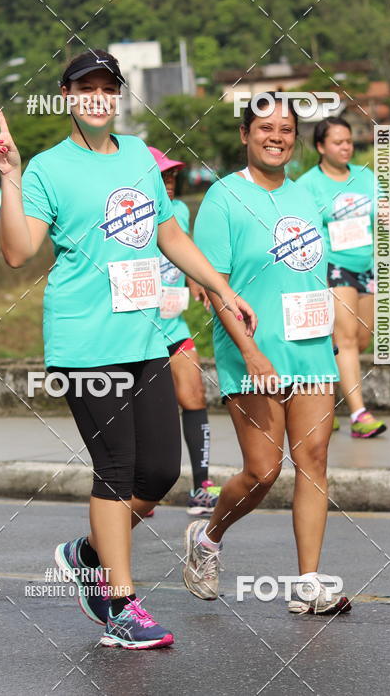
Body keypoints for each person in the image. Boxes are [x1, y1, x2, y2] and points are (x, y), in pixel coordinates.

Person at [0, 49, 256, 650]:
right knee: (116, 468)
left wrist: (222, 287)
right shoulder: (49, 169)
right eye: (86, 88)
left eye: (108, 88)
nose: (98, 97)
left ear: (118, 96)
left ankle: (89, 552)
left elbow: (167, 232)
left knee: (157, 473)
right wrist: (8, 174)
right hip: (84, 343)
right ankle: (122, 607)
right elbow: (19, 252)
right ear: (67, 96)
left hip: (144, 338)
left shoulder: (136, 155)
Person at [183, 93, 351, 615]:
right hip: (252, 353)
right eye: (265, 128)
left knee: (314, 460)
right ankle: (207, 538)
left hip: (311, 349)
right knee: (262, 472)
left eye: (285, 129)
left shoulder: (305, 196)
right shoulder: (224, 198)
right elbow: (216, 288)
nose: (276, 136)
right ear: (244, 135)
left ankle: (308, 584)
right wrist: (252, 353)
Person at [296, 118, 390, 437]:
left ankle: (325, 400)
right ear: (320, 147)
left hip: (364, 266)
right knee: (347, 338)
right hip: (332, 266)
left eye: (349, 141)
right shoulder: (308, 184)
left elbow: (383, 209)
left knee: (361, 338)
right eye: (337, 142)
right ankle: (359, 415)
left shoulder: (364, 177)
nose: (345, 147)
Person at [148, 146, 221, 516]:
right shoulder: (130, 219)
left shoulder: (179, 211)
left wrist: (197, 281)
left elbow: (181, 251)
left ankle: (201, 486)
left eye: (173, 177)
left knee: (194, 395)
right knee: (143, 414)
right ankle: (138, 490)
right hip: (137, 334)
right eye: (162, 178)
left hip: (174, 325)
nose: (170, 184)